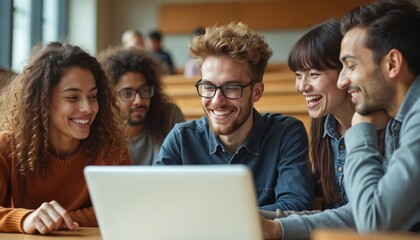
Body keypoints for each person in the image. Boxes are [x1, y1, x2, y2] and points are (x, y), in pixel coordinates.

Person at [156, 22, 313, 211]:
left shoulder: (286, 134)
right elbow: (159, 206)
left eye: (231, 87)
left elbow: (295, 207)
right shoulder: (181, 139)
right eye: (208, 87)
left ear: (256, 92)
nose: (216, 100)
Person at [0, 42, 131, 234]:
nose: (88, 108)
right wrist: (26, 218)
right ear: (42, 101)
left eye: (93, 97)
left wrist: (61, 221)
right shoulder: (7, 146)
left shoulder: (113, 151)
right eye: (73, 98)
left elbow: (124, 208)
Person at [260, 20, 359, 240]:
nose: (302, 86)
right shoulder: (324, 126)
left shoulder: (379, 130)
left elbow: (364, 216)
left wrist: (277, 227)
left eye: (313, 74)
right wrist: (254, 216)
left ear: (346, 72)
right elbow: (330, 215)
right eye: (298, 75)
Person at [337, 0, 420, 233]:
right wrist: (278, 227)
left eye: (351, 66)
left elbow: (374, 223)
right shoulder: (399, 120)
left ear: (392, 64)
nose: (341, 81)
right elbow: (361, 210)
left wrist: (360, 133)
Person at [99, 46, 185, 165]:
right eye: (127, 93)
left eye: (144, 90)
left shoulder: (169, 116)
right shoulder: (100, 133)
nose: (138, 100)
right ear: (110, 97)